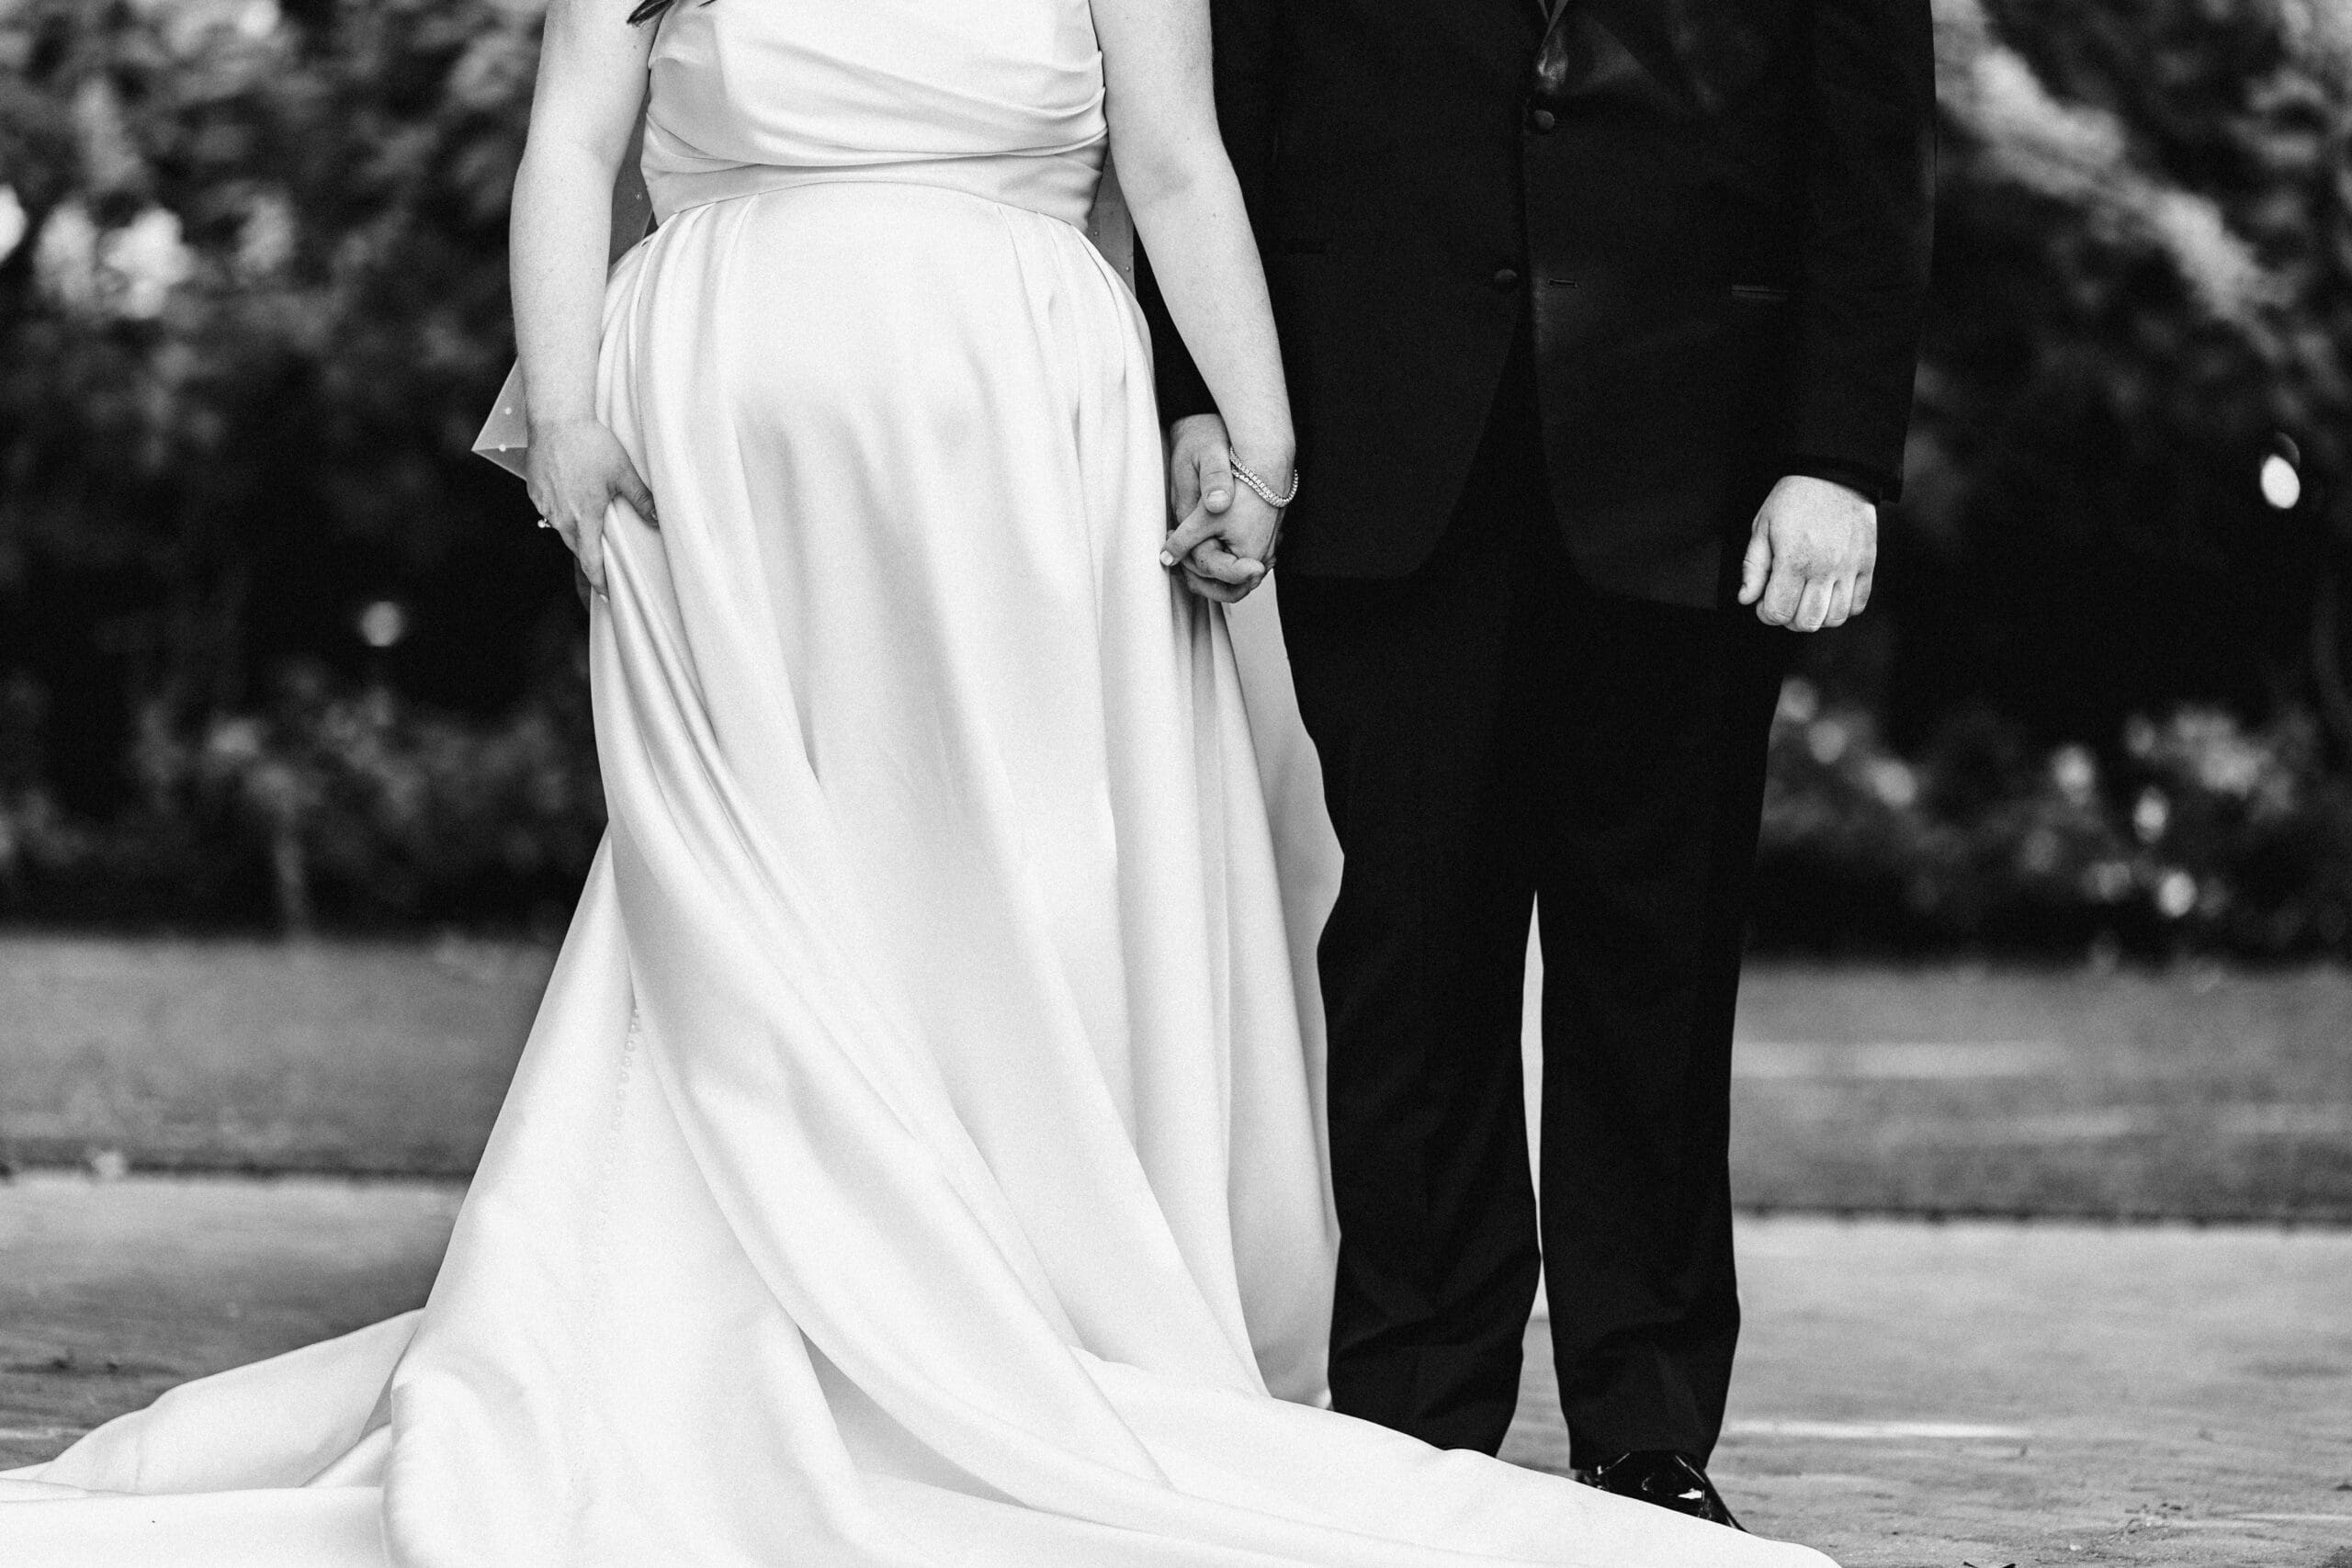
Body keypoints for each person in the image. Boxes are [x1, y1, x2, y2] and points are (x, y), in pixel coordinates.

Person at [0, 1, 1835, 1563]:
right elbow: (571, 142)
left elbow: (1180, 159)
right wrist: (560, 411)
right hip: (731, 440)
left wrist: (1257, 438)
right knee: (756, 892)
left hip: (1025, 432)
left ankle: (1021, 1299)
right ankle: (744, 1311)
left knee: (1028, 892)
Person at [1142, 0, 1936, 1528]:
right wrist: (1200, 393)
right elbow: (1217, 112)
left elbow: (1869, 135)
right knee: (1406, 948)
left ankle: (1645, 1427)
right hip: (1384, 436)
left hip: (1692, 442)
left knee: (1657, 952)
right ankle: (1410, 1414)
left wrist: (1837, 455)